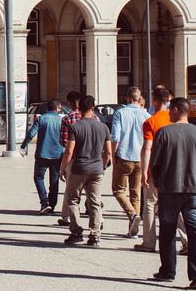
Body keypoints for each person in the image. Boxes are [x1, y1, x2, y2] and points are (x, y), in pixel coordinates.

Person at [147, 97, 196, 290]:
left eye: (170, 110)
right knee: (195, 232)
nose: (168, 112)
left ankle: (168, 271)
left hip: (169, 189)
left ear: (176, 110)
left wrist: (158, 183)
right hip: (193, 190)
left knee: (167, 231)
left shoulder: (163, 133)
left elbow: (155, 163)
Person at [61, 95, 111, 246]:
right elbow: (108, 152)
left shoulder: (75, 127)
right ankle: (95, 234)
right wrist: (102, 165)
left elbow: (69, 151)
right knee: (94, 201)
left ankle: (76, 231)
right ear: (93, 108)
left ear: (79, 109)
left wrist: (63, 168)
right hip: (96, 168)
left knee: (73, 199)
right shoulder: (103, 127)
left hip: (79, 168)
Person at [134, 85, 178, 254]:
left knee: (150, 205)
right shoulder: (174, 119)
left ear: (154, 101)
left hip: (156, 168)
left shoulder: (151, 121)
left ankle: (149, 242)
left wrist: (145, 170)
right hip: (174, 168)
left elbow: (147, 148)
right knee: (176, 205)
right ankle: (187, 240)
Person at [109, 87, 150, 238]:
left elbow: (115, 137)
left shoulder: (120, 113)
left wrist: (113, 155)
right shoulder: (146, 115)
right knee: (135, 193)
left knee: (118, 190)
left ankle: (132, 215)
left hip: (124, 155)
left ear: (126, 98)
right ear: (139, 99)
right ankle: (134, 230)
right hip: (140, 157)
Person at [21, 100, 65, 213]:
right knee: (54, 181)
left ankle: (44, 202)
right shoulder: (61, 120)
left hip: (42, 153)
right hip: (57, 154)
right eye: (60, 108)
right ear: (57, 108)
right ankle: (52, 204)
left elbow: (31, 133)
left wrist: (23, 146)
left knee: (38, 178)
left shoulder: (41, 119)